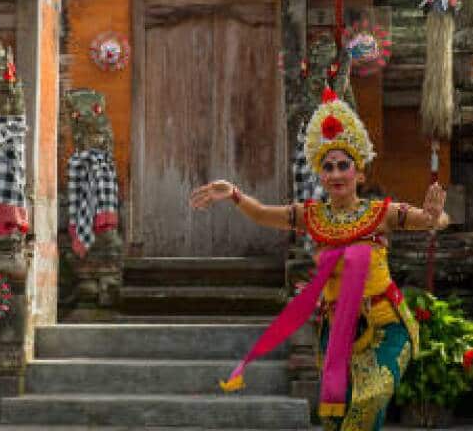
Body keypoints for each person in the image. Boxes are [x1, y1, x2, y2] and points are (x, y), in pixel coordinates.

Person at [190, 87, 448, 431]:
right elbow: (266, 214)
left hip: (386, 325)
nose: (337, 173)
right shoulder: (312, 216)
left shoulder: (380, 213)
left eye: (344, 166)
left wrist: (434, 217)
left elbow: (432, 220)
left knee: (369, 399)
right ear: (320, 175)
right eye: (328, 167)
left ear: (360, 174)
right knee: (337, 417)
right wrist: (234, 194)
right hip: (337, 329)